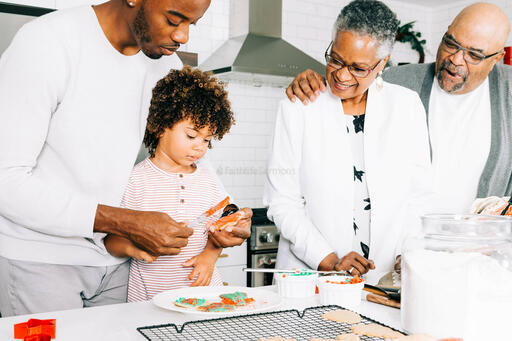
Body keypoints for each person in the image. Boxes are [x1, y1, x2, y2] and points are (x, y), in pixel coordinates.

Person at [0, 0, 251, 316]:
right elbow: (5, 181)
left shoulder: (164, 64)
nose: (183, 36)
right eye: (174, 19)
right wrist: (125, 221)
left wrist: (228, 217)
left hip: (123, 265)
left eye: (192, 23)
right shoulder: (47, 42)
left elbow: (188, 162)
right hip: (43, 260)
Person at [286, 2, 512, 214]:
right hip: (404, 246)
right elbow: (345, 90)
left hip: (483, 248)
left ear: (497, 59)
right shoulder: (396, 81)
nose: (456, 59)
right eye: (450, 43)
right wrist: (314, 85)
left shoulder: (509, 91)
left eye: (474, 55)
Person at [263, 0, 432, 284]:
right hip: (311, 276)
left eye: (358, 68)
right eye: (336, 59)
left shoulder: (406, 106)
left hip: (383, 278)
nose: (341, 75)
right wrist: (329, 259)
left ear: (382, 64)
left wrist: (408, 251)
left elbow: (418, 196)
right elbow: (282, 201)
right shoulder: (299, 106)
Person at [104, 66, 247, 301]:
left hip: (204, 299)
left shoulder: (207, 179)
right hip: (150, 302)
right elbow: (111, 241)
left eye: (207, 139)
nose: (199, 146)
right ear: (160, 125)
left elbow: (221, 229)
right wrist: (135, 248)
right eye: (192, 135)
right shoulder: (134, 180)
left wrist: (209, 256)